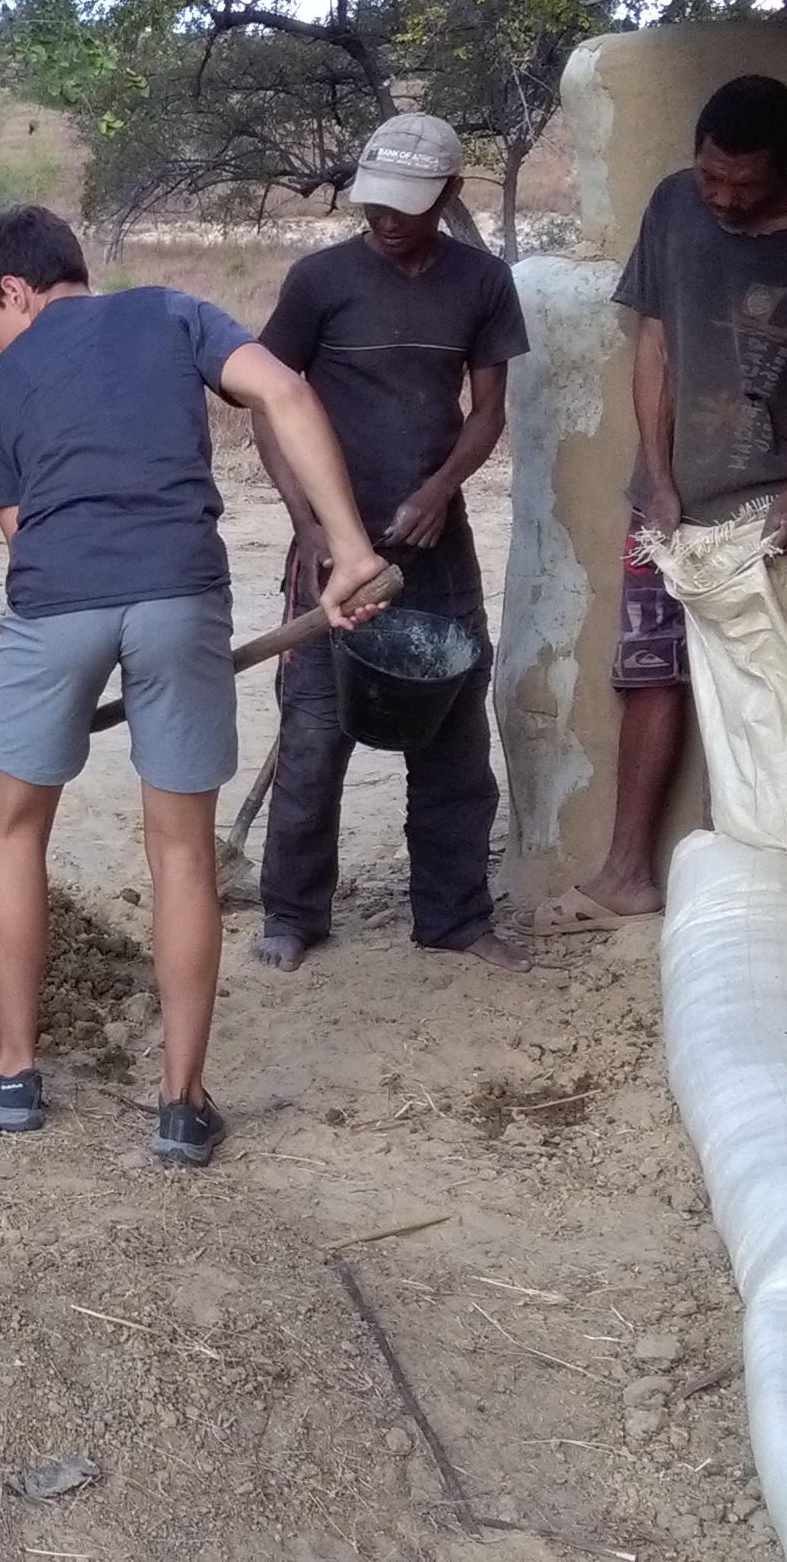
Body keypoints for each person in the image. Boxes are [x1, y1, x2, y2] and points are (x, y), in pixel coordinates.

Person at [0, 206, 393, 1169]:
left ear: (13, 292)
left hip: (56, 605)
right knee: (181, 854)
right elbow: (286, 395)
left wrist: (82, 640)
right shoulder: (177, 314)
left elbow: (22, 531)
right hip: (181, 593)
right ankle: (181, 1107)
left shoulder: (1, 386)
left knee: (15, 828)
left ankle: (12, 1078)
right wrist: (350, 549)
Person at [535, 75, 787, 931]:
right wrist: (656, 473)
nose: (721, 198)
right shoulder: (675, 206)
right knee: (650, 671)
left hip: (767, 505)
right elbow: (655, 341)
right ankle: (626, 872)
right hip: (669, 499)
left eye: (744, 185)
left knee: (767, 682)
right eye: (710, 176)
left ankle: (778, 864)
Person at [251, 112, 531, 974]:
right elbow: (268, 402)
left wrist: (441, 491)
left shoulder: (482, 284)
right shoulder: (320, 281)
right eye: (373, 203)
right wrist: (309, 528)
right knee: (314, 733)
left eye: (406, 205)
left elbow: (487, 412)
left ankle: (452, 917)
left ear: (449, 194)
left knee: (453, 738)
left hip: (434, 548)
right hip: (333, 549)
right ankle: (294, 915)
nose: (384, 218)